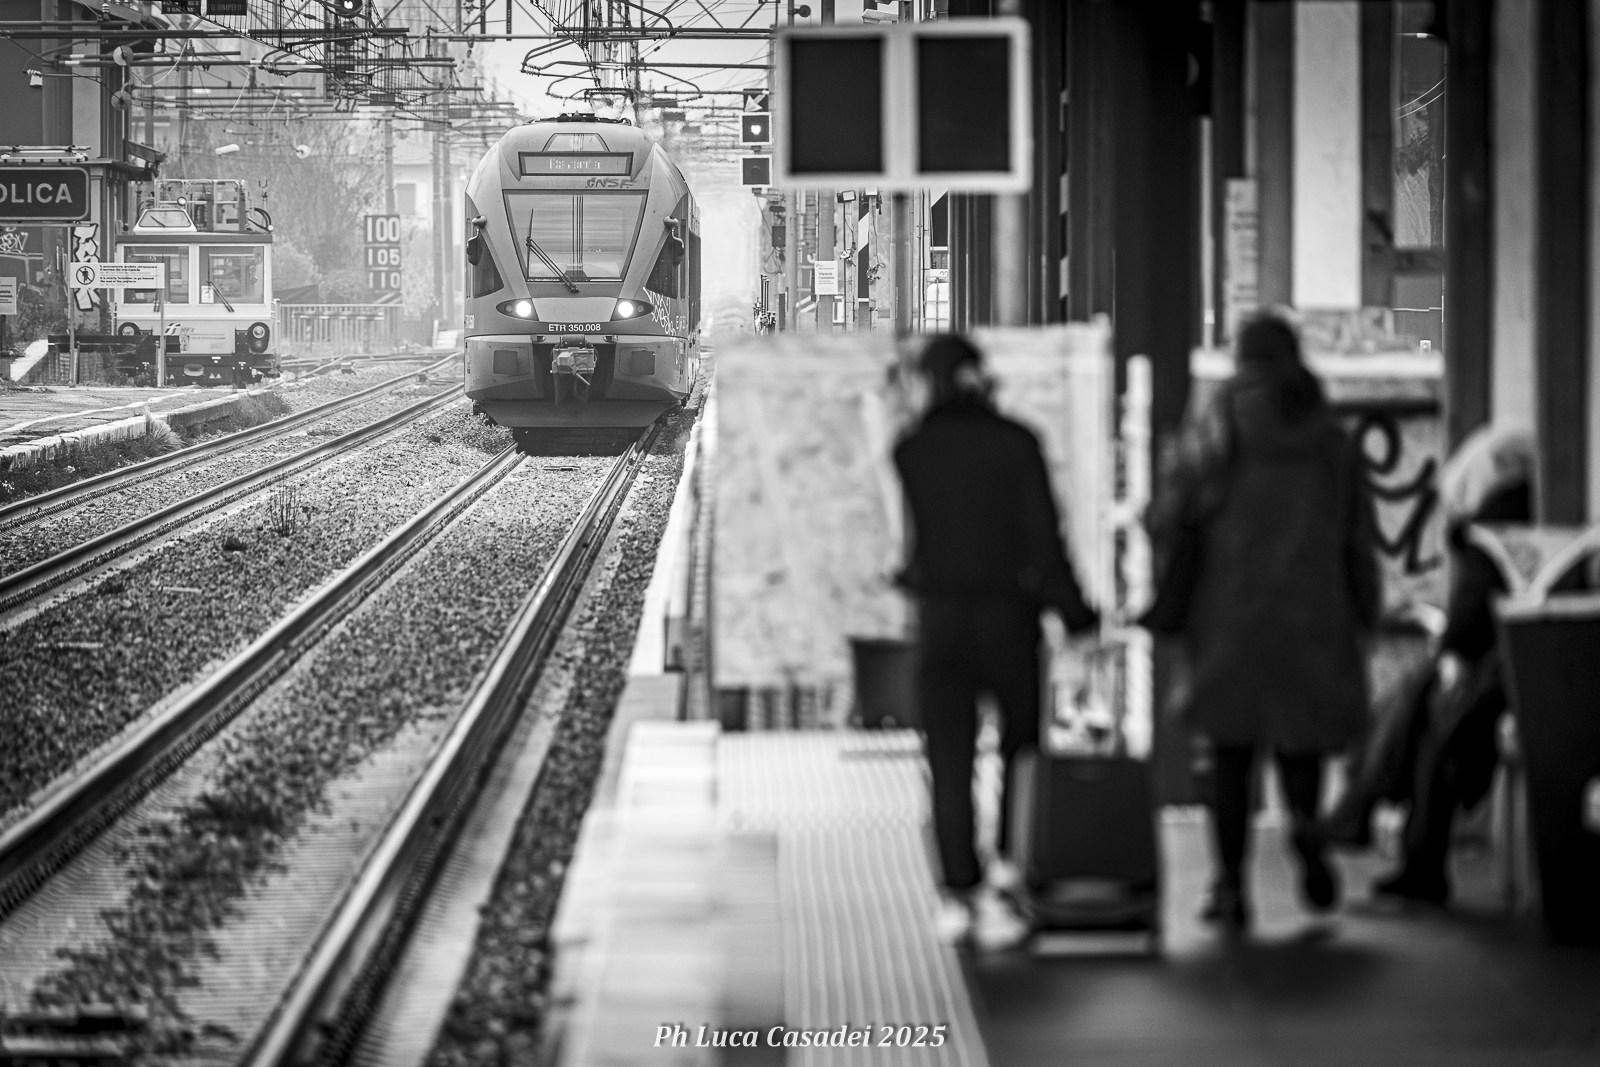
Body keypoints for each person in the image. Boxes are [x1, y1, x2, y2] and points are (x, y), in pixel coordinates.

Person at [1144, 313, 1380, 930]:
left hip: (1230, 615)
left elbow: (1170, 518)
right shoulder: (1330, 438)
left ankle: (1229, 886)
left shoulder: (1215, 427)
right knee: (1300, 738)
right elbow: (1359, 537)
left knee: (1229, 753)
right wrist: (1365, 607)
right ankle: (1304, 821)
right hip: (1313, 612)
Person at [893, 334, 1100, 947]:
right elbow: (1045, 539)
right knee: (1020, 747)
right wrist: (1076, 614)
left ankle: (958, 892)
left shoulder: (912, 451)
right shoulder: (1018, 444)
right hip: (1010, 619)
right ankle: (1011, 870)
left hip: (942, 624)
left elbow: (907, 546)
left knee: (950, 759)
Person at [1321, 426, 1535, 905]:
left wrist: (1451, 650)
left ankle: (1361, 809)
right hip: (1506, 669)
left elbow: (1467, 620)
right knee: (1420, 711)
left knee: (1423, 715)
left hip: (1490, 672)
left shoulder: (1490, 528)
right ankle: (1365, 814)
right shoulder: (1527, 515)